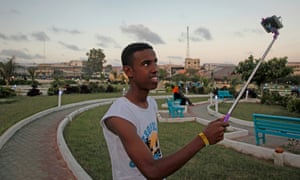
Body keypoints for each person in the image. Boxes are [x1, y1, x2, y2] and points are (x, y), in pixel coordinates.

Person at [100, 42, 229, 180]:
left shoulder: (151, 103)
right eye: (146, 64)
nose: (155, 69)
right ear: (128, 71)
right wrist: (203, 139)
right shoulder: (119, 116)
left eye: (155, 62)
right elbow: (152, 171)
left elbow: (153, 150)